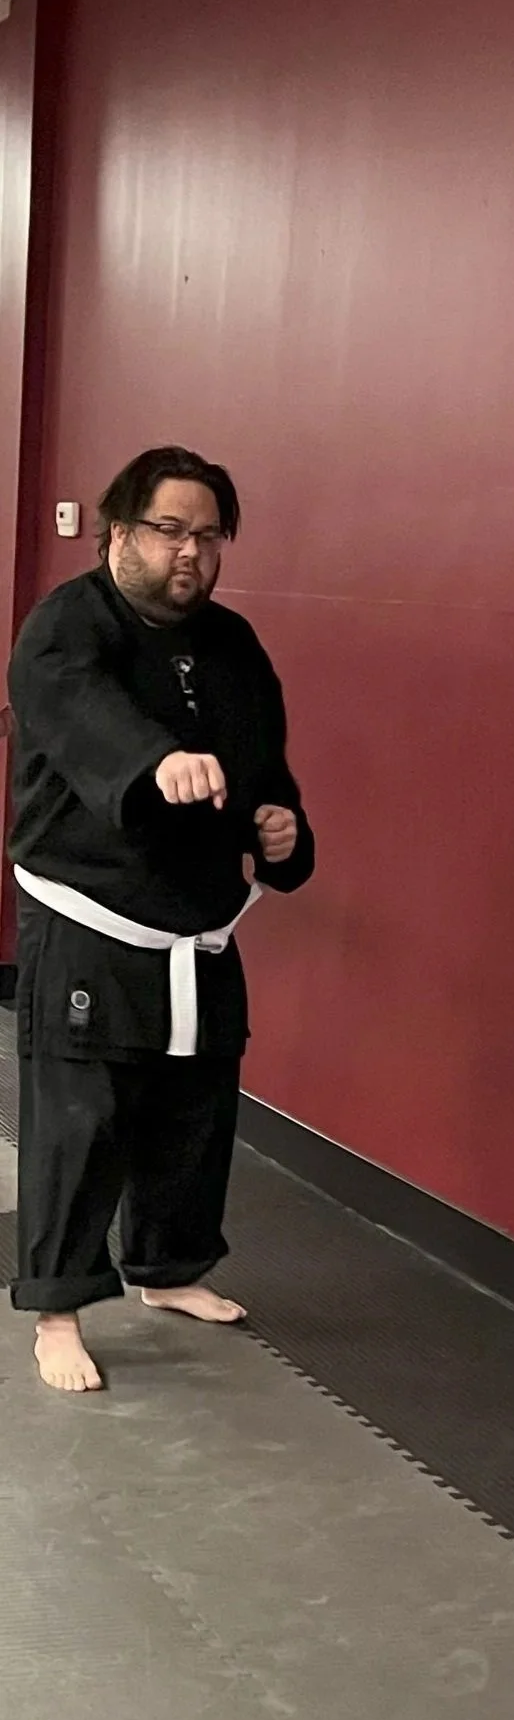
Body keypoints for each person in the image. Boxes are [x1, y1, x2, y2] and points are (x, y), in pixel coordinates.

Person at [5, 445, 314, 1394]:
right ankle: (57, 1310)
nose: (191, 552)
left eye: (209, 536)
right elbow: (80, 713)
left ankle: (169, 1267)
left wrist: (281, 829)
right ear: (119, 531)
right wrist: (153, 761)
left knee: (195, 1104)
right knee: (82, 1119)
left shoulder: (233, 645)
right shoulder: (66, 626)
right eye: (170, 530)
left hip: (198, 917)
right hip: (88, 908)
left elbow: (263, 762)